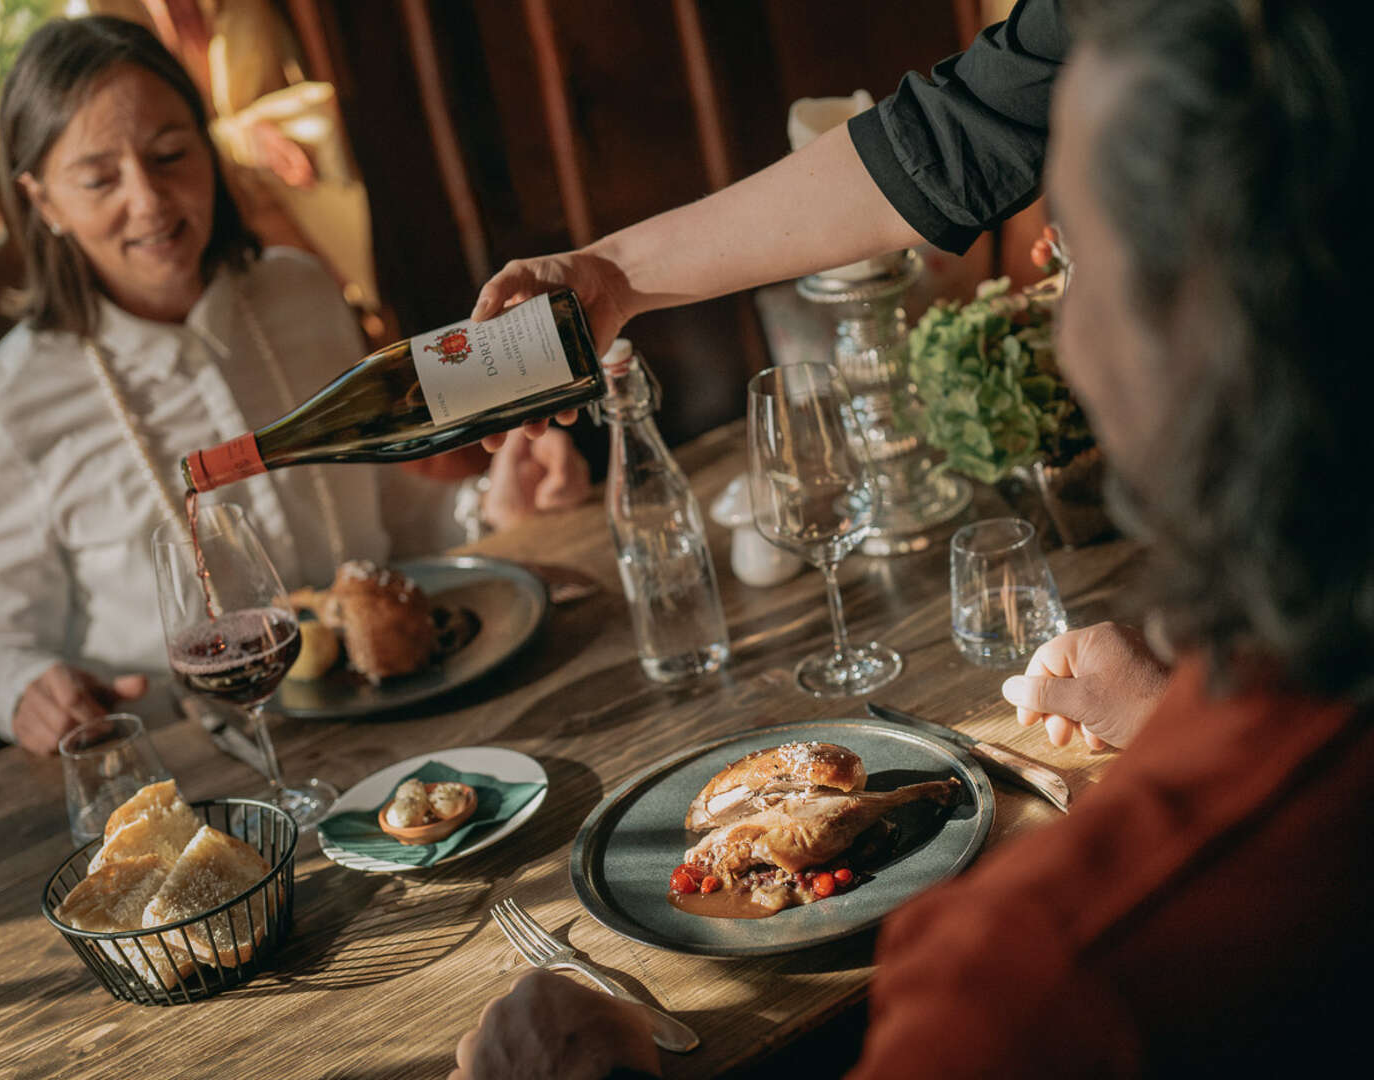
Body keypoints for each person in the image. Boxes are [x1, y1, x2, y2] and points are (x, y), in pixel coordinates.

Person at [453, 0, 1374, 1075]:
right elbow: (958, 129)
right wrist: (1182, 711)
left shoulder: (1035, 984)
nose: (1058, 323)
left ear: (1192, 336)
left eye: (1064, 255)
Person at [0, 16, 588, 755]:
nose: (150, 201)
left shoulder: (298, 291)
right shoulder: (0, 409)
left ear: (210, 150)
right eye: (98, 179)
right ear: (42, 202)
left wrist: (490, 509)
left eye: (170, 154)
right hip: (188, 761)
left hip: (395, 714)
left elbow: (387, 517)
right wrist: (27, 688)